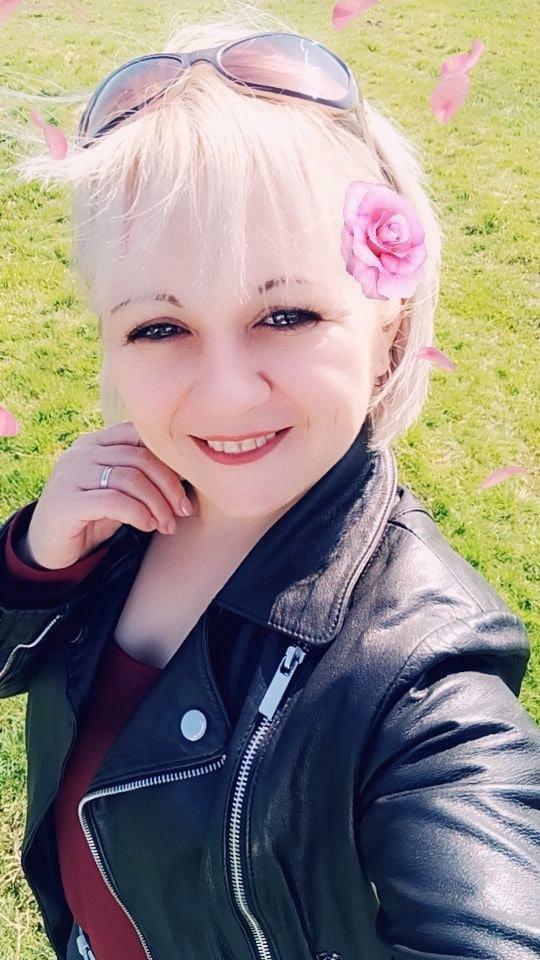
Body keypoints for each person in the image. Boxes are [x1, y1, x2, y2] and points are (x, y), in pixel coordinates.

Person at [1, 5, 539, 960]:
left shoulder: (422, 661)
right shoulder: (111, 522)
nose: (224, 395)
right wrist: (37, 561)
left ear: (387, 329)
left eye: (285, 315)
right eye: (159, 328)